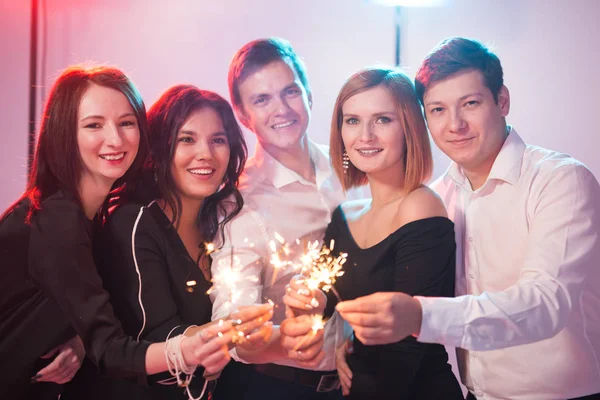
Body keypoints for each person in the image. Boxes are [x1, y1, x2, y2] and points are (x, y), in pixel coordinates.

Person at [335, 37, 600, 400]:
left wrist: (419, 315)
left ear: (502, 100)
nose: (455, 124)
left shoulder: (559, 179)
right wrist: (345, 338)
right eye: (438, 110)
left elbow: (545, 303)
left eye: (470, 103)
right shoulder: (439, 197)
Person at [0, 66, 248, 399]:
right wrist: (190, 350)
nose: (115, 140)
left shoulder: (92, 214)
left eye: (126, 123)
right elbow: (110, 350)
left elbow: (87, 311)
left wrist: (79, 337)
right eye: (93, 125)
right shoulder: (58, 218)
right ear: (64, 132)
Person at [76, 85, 274, 400]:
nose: (205, 154)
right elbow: (156, 337)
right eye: (187, 139)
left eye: (217, 140)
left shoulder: (222, 222)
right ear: (159, 147)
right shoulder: (135, 223)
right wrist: (227, 332)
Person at [210, 38, 356, 399]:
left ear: (308, 94)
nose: (281, 109)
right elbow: (231, 323)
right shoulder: (238, 204)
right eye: (262, 99)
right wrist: (287, 339)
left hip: (359, 384)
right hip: (274, 387)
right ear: (242, 114)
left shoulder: (354, 167)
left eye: (290, 92)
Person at [320, 66, 463, 399]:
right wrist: (337, 338)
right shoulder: (344, 216)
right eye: (352, 120)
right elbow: (332, 308)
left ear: (409, 127)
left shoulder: (421, 206)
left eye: (382, 119)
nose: (365, 135)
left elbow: (406, 349)